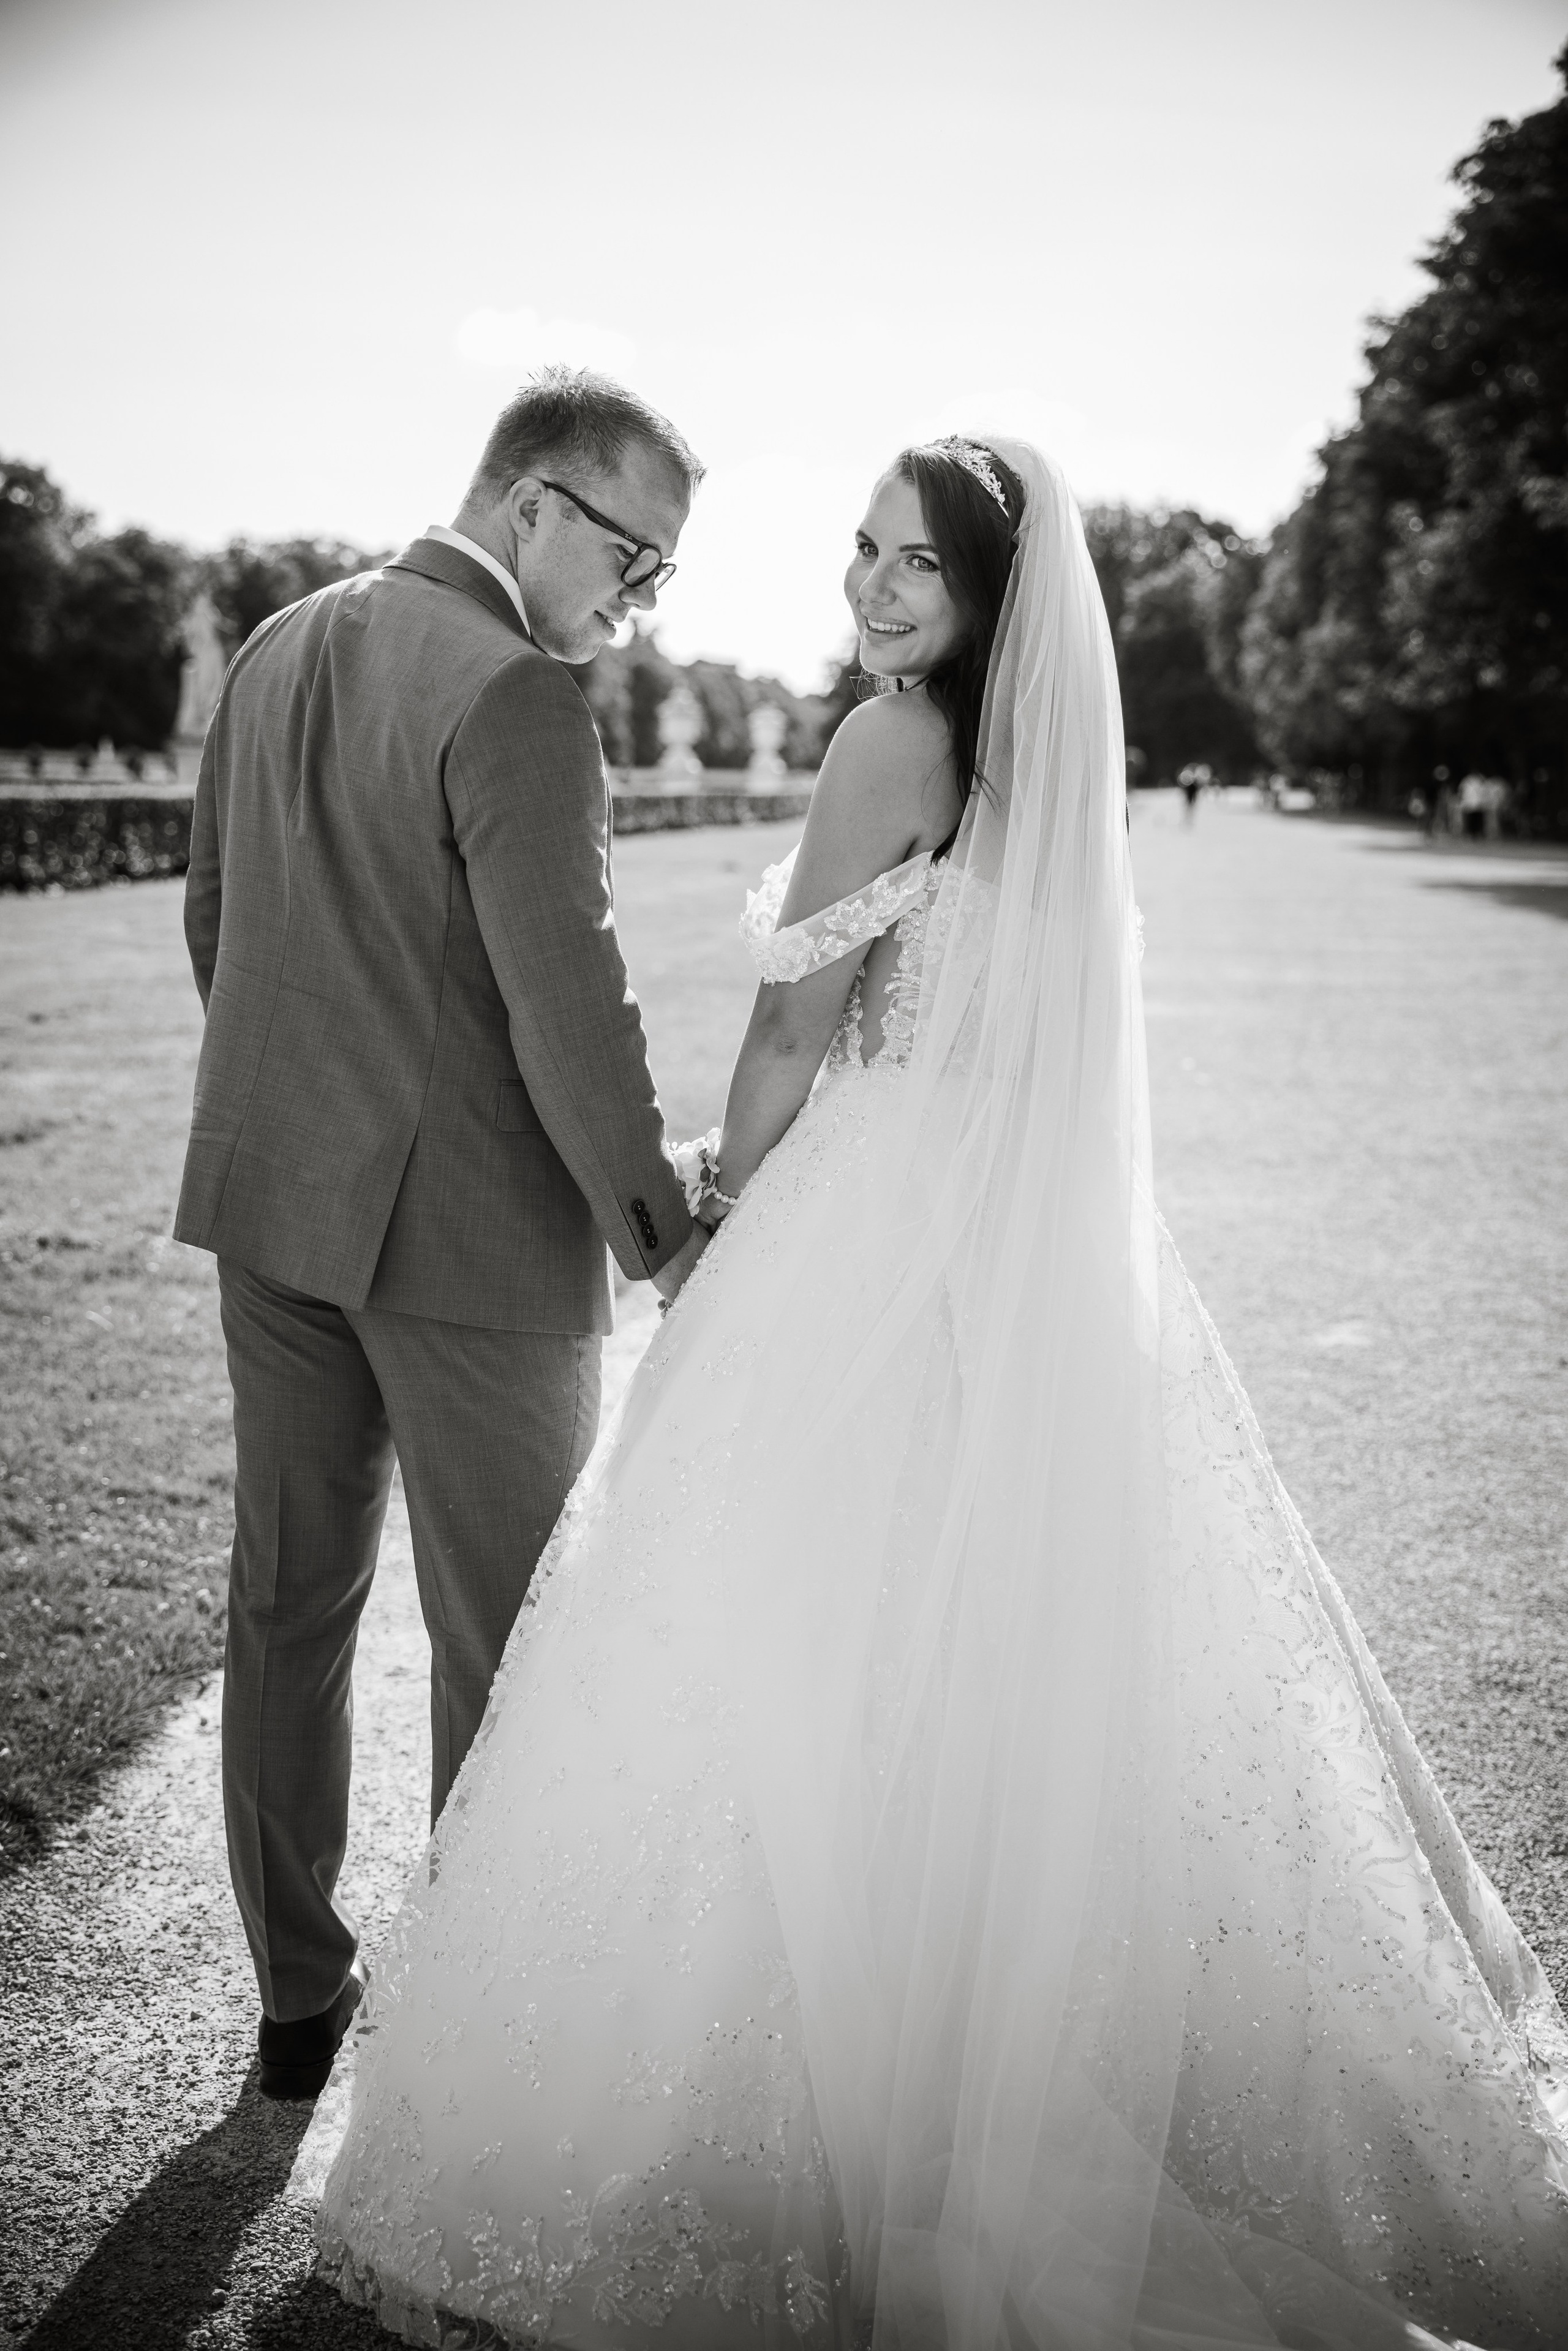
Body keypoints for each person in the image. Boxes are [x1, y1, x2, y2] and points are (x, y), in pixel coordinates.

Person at [314, 440, 1568, 2347]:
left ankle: (816, 2098)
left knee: (801, 1642)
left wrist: (724, 1211)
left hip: (866, 1215)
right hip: (1005, 1233)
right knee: (985, 1651)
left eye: (916, 564)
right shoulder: (1050, 768)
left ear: (992, 597)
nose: (876, 590)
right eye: (863, 550)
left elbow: (795, 1018)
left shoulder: (886, 742)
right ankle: (993, 2053)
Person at [175, 369, 708, 2102]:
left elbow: (217, 923)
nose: (635, 601)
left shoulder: (273, 642)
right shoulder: (523, 696)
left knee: (287, 1599)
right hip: (474, 1245)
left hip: (277, 1207)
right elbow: (574, 1010)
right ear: (534, 505)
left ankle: (296, 2008)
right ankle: (475, 2038)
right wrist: (659, 1227)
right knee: (514, 1638)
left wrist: (295, 1119)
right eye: (635, 556)